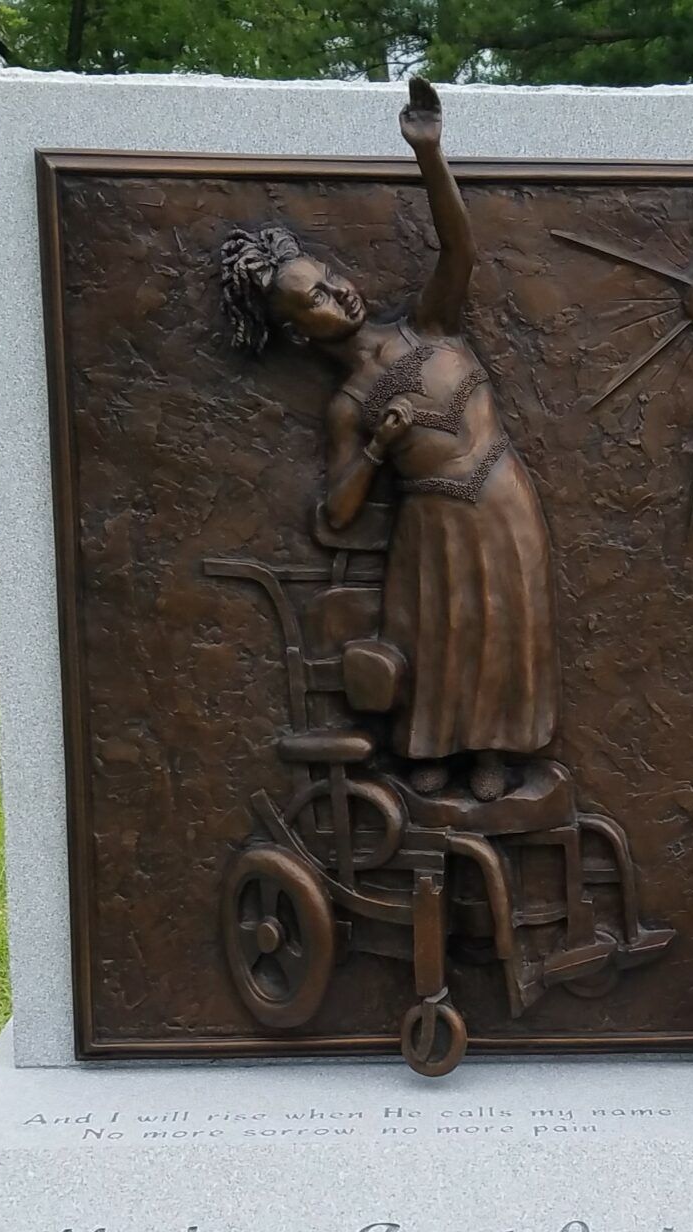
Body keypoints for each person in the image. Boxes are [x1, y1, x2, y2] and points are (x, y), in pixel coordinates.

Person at [220, 78, 559, 802]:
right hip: (431, 523)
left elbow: (459, 248)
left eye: (330, 277)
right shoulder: (348, 405)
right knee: (441, 633)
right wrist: (377, 448)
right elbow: (337, 513)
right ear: (296, 332)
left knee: (505, 623)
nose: (336, 293)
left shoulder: (428, 324)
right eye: (313, 298)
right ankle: (433, 747)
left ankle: (494, 752)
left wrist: (429, 154)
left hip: (502, 500)